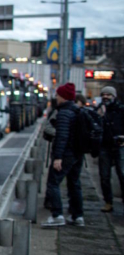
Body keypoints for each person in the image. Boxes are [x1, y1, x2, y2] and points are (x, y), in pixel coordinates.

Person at [42, 83, 84, 227]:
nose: (56, 97)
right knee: (74, 184)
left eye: (58, 95)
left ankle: (57, 215)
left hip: (66, 154)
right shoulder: (76, 111)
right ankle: (78, 216)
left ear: (64, 97)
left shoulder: (64, 113)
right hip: (78, 154)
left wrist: (58, 157)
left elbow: (62, 137)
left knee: (53, 183)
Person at [96, 86, 124, 213]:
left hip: (120, 146)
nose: (105, 97)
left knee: (122, 174)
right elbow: (93, 127)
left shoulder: (121, 110)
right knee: (104, 176)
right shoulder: (100, 110)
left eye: (108, 95)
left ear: (114, 96)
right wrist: (98, 117)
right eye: (103, 94)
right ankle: (108, 202)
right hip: (104, 146)